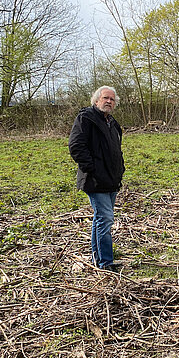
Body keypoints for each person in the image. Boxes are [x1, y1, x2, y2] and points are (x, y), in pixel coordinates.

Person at [69, 86, 125, 272]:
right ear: (96, 100)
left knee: (100, 219)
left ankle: (98, 259)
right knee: (106, 219)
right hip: (95, 180)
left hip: (111, 180)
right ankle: (105, 263)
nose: (109, 101)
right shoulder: (86, 119)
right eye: (105, 98)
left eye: (112, 99)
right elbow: (76, 146)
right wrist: (92, 169)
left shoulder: (112, 123)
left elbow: (116, 150)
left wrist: (119, 170)